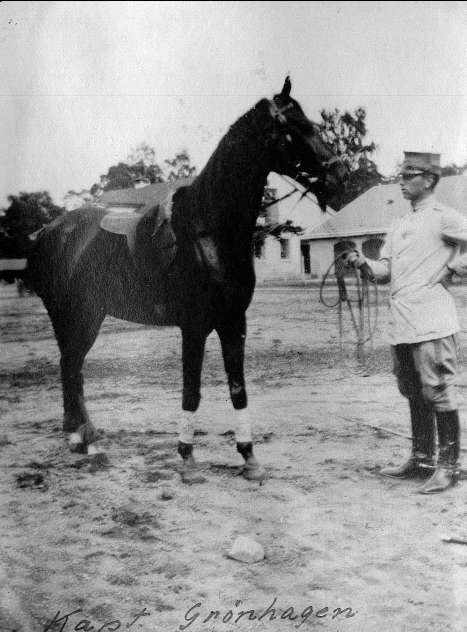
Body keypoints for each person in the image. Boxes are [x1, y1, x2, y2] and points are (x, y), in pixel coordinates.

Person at [346, 151, 467, 494]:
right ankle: (422, 459)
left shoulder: (445, 218)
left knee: (438, 390)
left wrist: (452, 269)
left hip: (432, 320)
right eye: (401, 174)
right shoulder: (399, 224)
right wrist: (363, 263)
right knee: (413, 391)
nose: (401, 180)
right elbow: (386, 271)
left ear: (429, 180)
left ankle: (448, 467)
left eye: (409, 174)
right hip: (402, 323)